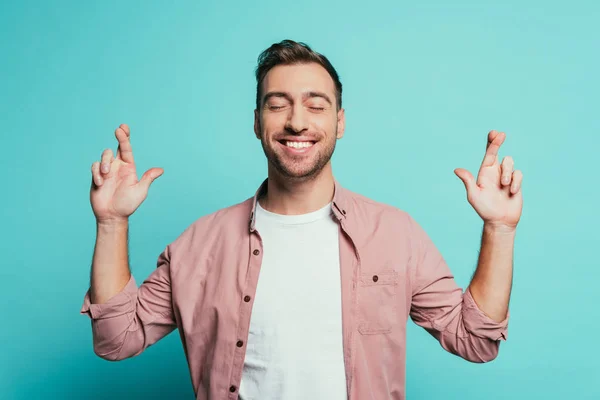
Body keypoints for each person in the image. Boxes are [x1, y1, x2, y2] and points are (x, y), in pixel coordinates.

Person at [81, 39, 523, 400]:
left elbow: (475, 339)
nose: (296, 122)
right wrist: (111, 224)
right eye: (278, 105)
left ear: (340, 120)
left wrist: (500, 230)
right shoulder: (200, 243)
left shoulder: (394, 234)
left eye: (316, 105)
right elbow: (117, 338)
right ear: (257, 122)